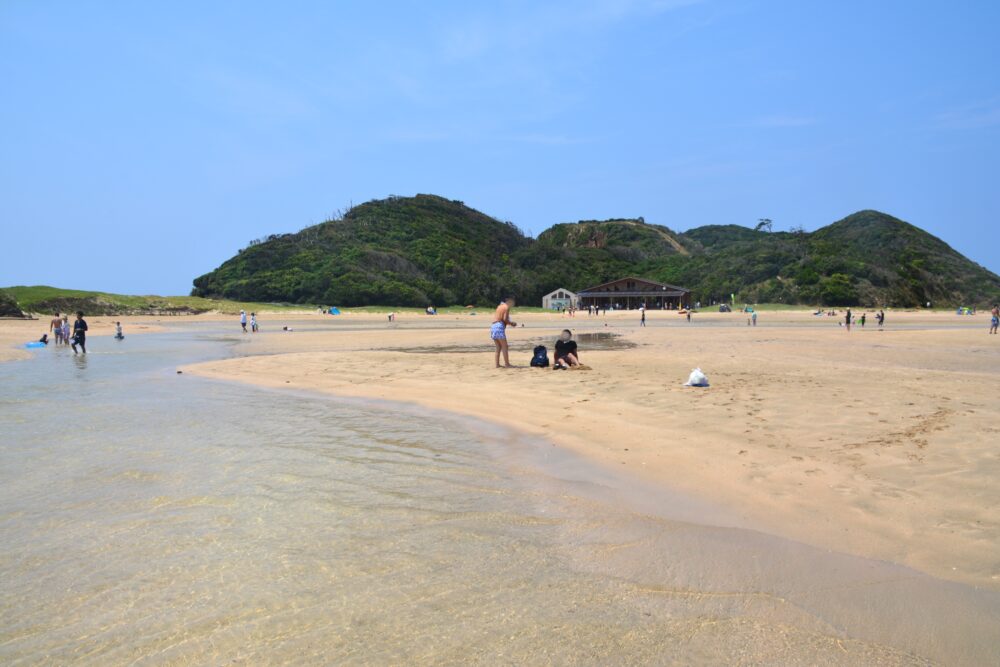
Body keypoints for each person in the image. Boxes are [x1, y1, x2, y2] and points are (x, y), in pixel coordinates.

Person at [491, 296, 517, 368]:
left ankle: (497, 365)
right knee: (505, 346)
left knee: (498, 347)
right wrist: (512, 323)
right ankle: (507, 364)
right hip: (499, 326)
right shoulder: (506, 307)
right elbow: (505, 319)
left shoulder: (499, 306)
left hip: (493, 326)